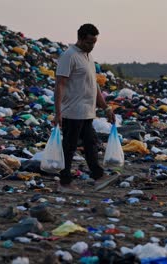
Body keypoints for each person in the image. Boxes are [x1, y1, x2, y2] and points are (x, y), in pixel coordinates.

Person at [54, 23, 116, 192]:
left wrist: (105, 108)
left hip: (87, 112)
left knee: (91, 143)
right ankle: (64, 183)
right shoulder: (69, 56)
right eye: (89, 42)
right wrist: (58, 112)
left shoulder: (88, 57)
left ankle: (98, 176)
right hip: (72, 111)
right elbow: (60, 84)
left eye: (94, 43)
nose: (92, 46)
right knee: (69, 147)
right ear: (80, 38)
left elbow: (93, 86)